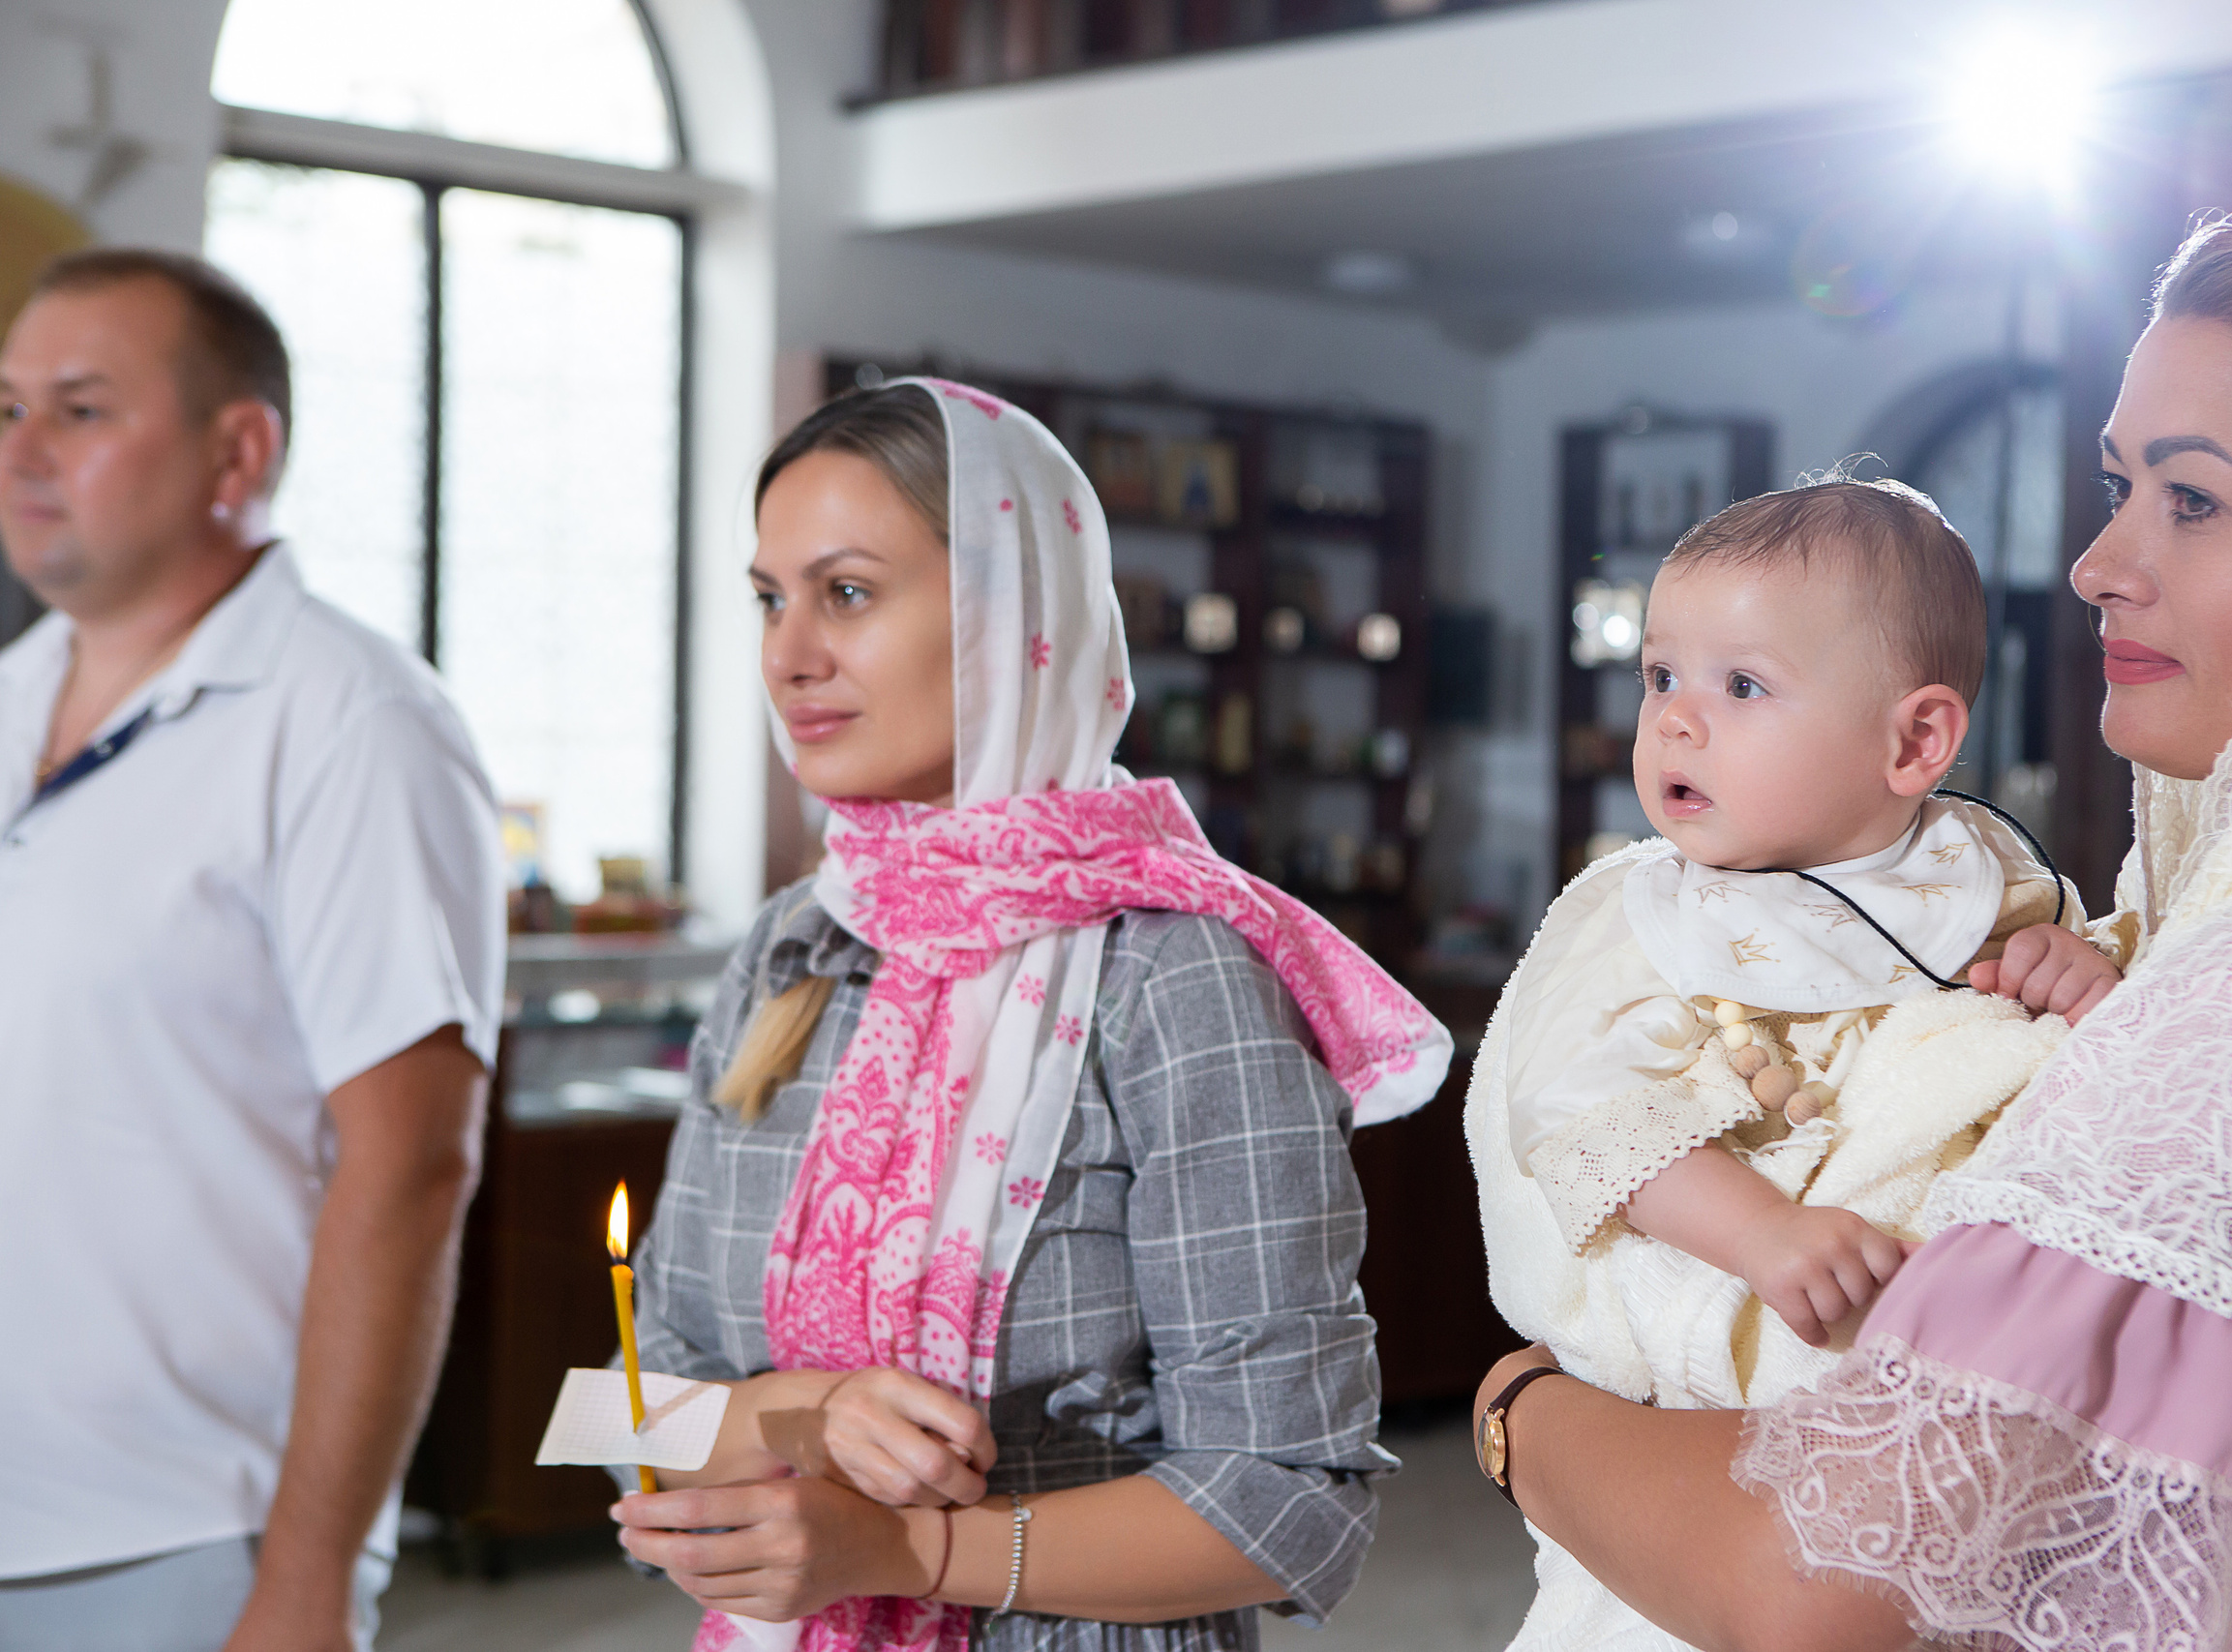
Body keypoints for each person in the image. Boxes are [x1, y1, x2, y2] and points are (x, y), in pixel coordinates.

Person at [1470, 160, 2232, 1652]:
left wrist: (1515, 1405)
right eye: (2119, 486)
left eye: (2193, 500)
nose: (2098, 563)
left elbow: (1812, 1584)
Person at [607, 378, 1450, 1652]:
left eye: (846, 591)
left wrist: (904, 1550)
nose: (788, 653)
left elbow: (1287, 1503)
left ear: (1015, 617)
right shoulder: (792, 947)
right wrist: (806, 1412)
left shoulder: (1173, 973)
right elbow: (628, 1408)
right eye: (769, 597)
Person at [1469, 477, 2121, 1651]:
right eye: (1659, 676)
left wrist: (2059, 971)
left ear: (1914, 741)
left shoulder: (1970, 878)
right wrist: (1756, 1233)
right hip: (1688, 1406)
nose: (1675, 719)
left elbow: (2030, 988)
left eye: (1742, 685)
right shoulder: (1636, 918)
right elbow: (1578, 1114)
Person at [0, 250, 503, 1652]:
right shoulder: (13, 693)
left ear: (240, 447)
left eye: (81, 410)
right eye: (7, 406)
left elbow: (409, 1164)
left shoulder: (354, 721)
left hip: (177, 1531)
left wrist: (305, 1577)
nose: (25, 451)